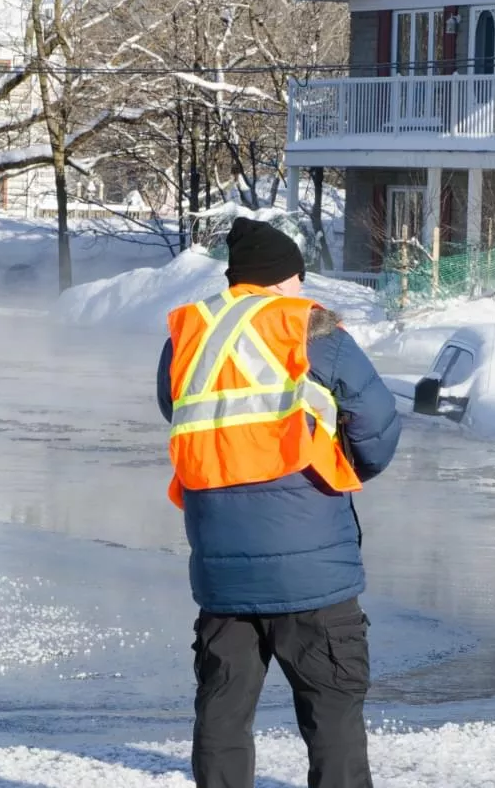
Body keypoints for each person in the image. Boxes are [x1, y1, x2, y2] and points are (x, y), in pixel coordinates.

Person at [156, 217, 401, 788]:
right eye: (299, 276)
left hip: (220, 566)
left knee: (222, 710)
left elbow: (183, 417)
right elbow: (378, 424)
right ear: (283, 277)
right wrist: (341, 470)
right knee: (332, 708)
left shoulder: (187, 336)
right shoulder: (312, 331)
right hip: (313, 566)